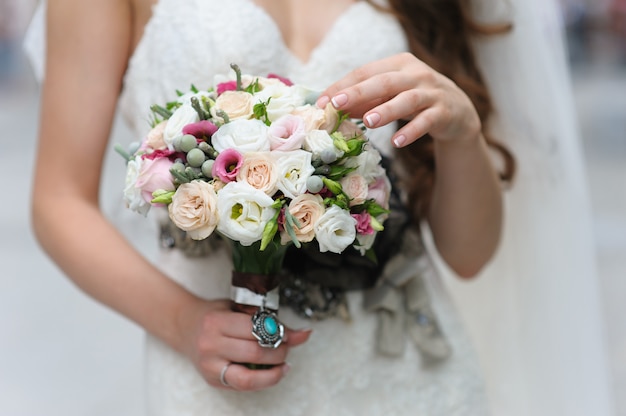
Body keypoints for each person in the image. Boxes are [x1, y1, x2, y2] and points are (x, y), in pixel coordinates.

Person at [23, 0, 614, 415]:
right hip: (224, 365)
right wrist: (182, 321)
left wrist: (462, 134)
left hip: (405, 363)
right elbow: (58, 199)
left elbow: (468, 255)